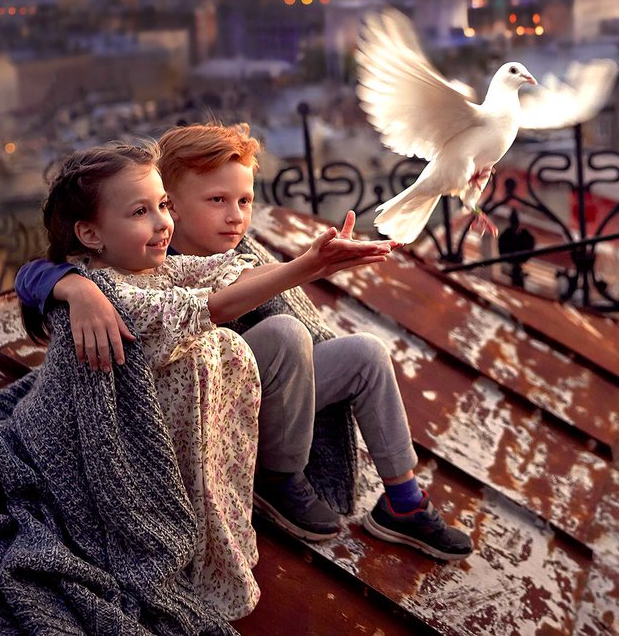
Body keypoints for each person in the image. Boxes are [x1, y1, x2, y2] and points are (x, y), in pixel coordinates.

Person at [15, 123, 474, 562]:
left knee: (365, 354)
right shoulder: (142, 257)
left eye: (244, 200)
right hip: (200, 414)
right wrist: (73, 286)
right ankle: (279, 480)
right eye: (217, 200)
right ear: (171, 202)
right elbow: (39, 271)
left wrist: (315, 262)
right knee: (284, 334)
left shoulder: (239, 251)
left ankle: (404, 502)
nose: (235, 215)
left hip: (266, 401)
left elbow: (264, 288)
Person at [28, 141, 394, 618]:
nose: (162, 222)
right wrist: (308, 266)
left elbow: (221, 272)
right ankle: (273, 484)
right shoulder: (109, 288)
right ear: (90, 233)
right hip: (130, 452)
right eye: (145, 210)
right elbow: (207, 305)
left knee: (287, 343)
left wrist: (302, 261)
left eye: (161, 207)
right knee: (227, 343)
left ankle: (390, 497)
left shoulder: (148, 262)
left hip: (202, 424)